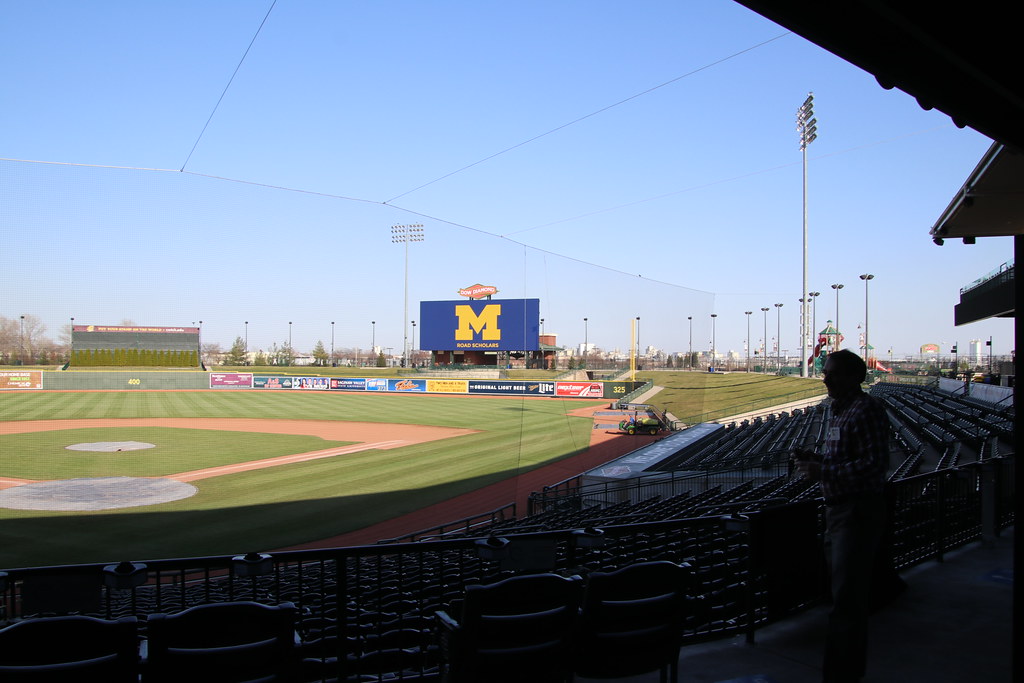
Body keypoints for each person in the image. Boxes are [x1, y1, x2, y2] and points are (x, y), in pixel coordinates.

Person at [794, 349, 890, 683]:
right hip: (839, 511)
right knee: (841, 598)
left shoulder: (866, 409)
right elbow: (849, 459)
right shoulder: (841, 410)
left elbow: (875, 465)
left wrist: (823, 471)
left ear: (854, 377)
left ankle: (842, 676)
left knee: (847, 604)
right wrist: (818, 460)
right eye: (826, 373)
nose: (826, 379)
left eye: (832, 373)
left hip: (856, 512)